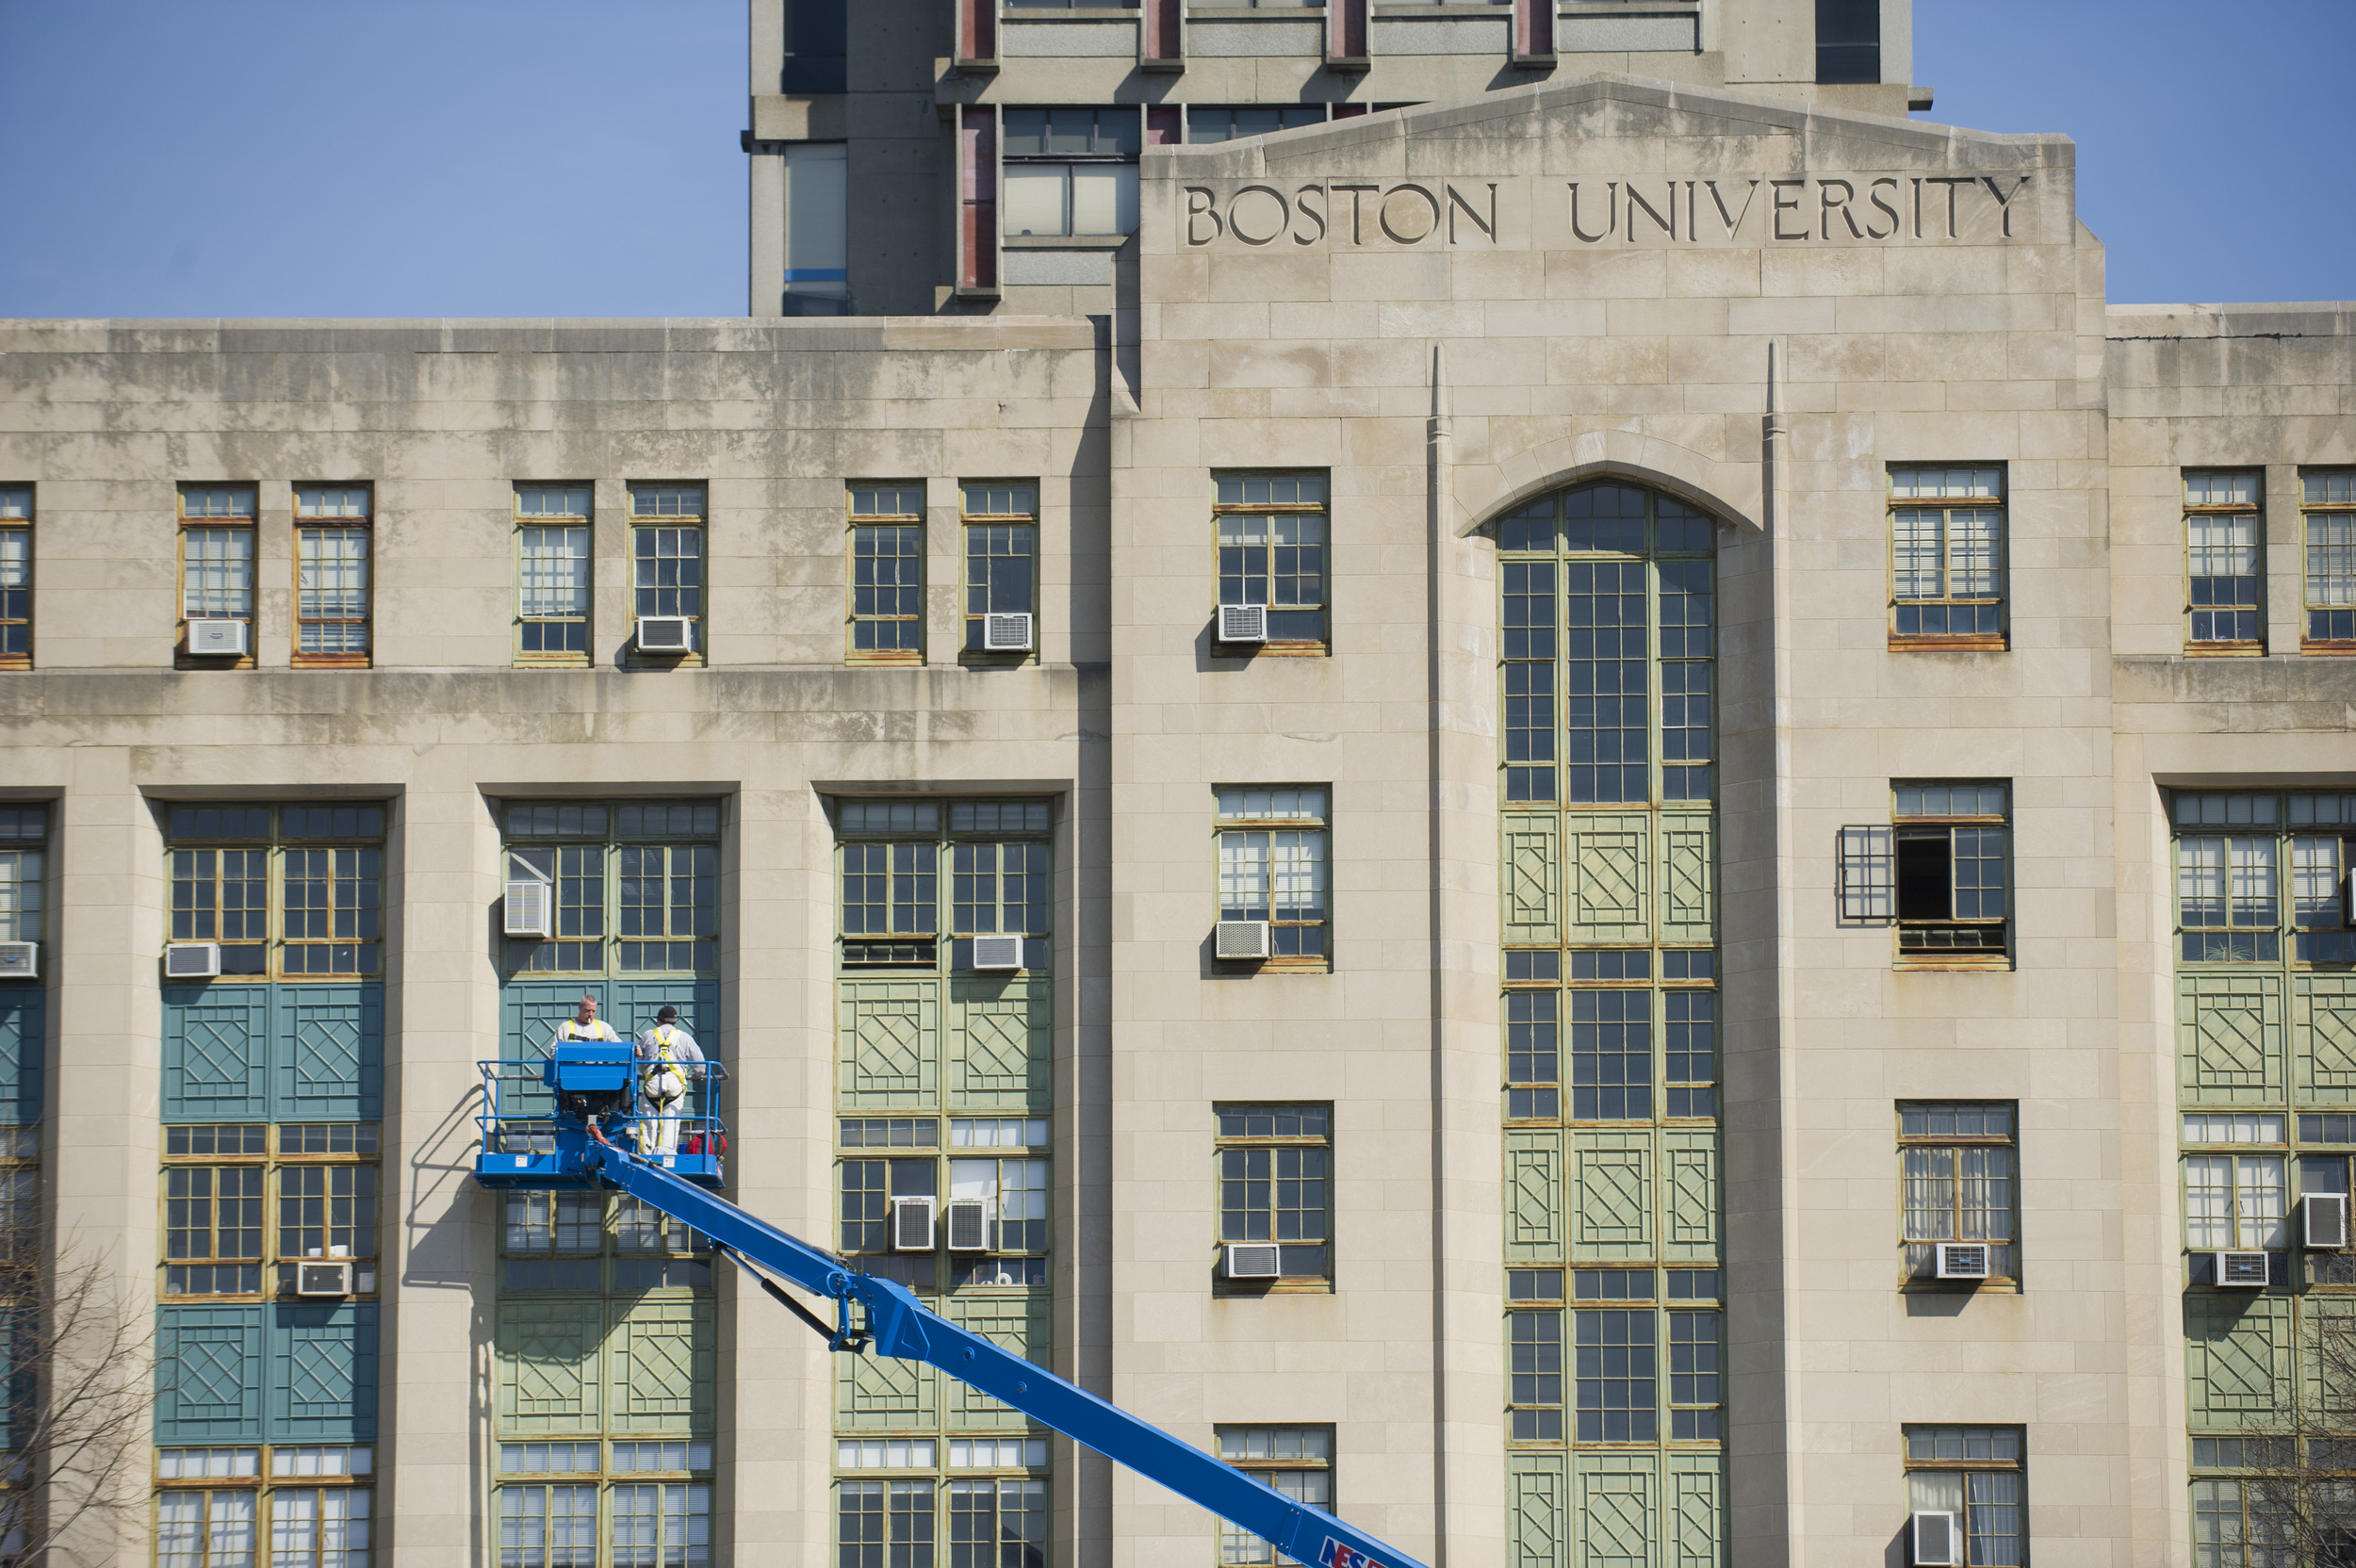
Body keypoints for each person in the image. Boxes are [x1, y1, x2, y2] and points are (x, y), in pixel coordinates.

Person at [634, 1005, 707, 1157]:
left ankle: (646, 1156)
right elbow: (700, 1065)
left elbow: (639, 1062)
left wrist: (646, 1071)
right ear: (675, 1021)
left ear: (658, 1021)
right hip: (675, 1085)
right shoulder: (685, 1037)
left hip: (652, 1084)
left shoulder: (648, 1035)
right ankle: (667, 1157)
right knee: (671, 1122)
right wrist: (696, 1076)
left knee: (648, 1122)